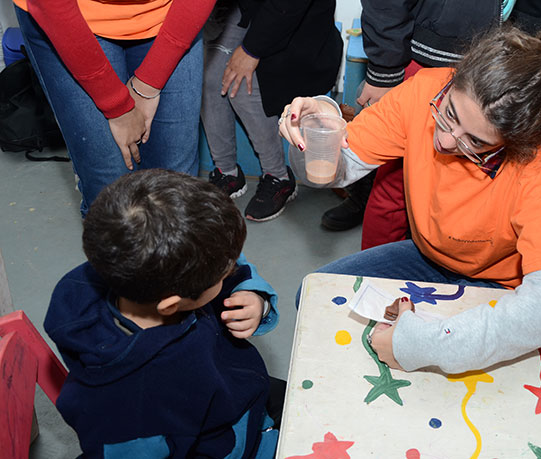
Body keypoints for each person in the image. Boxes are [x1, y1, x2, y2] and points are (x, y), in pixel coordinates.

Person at [280, 26, 541, 374]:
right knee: (313, 298)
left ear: (519, 141)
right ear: (455, 79)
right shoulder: (423, 90)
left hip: (503, 283)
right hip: (427, 256)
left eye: (476, 142)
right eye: (449, 113)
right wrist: (317, 127)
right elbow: (336, 172)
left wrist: (419, 344)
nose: (447, 141)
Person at [44, 169, 281, 457]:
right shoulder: (129, 414)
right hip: (232, 443)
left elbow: (221, 260)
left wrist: (255, 297)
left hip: (238, 387)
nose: (231, 272)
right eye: (223, 275)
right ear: (172, 305)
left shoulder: (132, 265)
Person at [321, 0, 511, 239]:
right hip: (431, 56)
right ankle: (364, 197)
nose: (448, 141)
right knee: (394, 179)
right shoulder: (422, 86)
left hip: (505, 67)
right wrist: (384, 72)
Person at [13, 0, 215, 216]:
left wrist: (148, 85)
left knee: (175, 190)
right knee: (111, 194)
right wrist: (117, 106)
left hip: (170, 11)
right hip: (68, 16)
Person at [202, 0, 342, 221]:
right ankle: (226, 173)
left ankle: (278, 176)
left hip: (291, 16)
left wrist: (251, 50)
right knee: (210, 80)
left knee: (241, 86)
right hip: (239, 8)